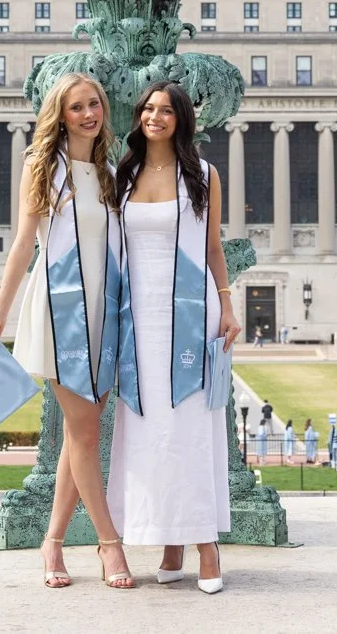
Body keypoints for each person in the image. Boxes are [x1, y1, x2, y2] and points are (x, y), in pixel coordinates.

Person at [0, 72, 133, 590]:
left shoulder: (109, 171)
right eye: (76, 107)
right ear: (60, 116)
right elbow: (24, 243)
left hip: (104, 311)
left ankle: (52, 543)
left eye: (94, 104)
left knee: (79, 435)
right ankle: (110, 545)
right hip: (61, 311)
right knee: (86, 432)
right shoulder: (44, 166)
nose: (88, 114)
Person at [107, 81, 242, 596]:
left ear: (181, 119)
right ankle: (168, 542)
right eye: (148, 108)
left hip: (189, 309)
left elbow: (213, 248)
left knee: (189, 427)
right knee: (147, 429)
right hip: (137, 312)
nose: (154, 117)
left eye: (166, 110)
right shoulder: (123, 175)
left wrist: (227, 305)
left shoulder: (203, 175)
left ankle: (206, 544)